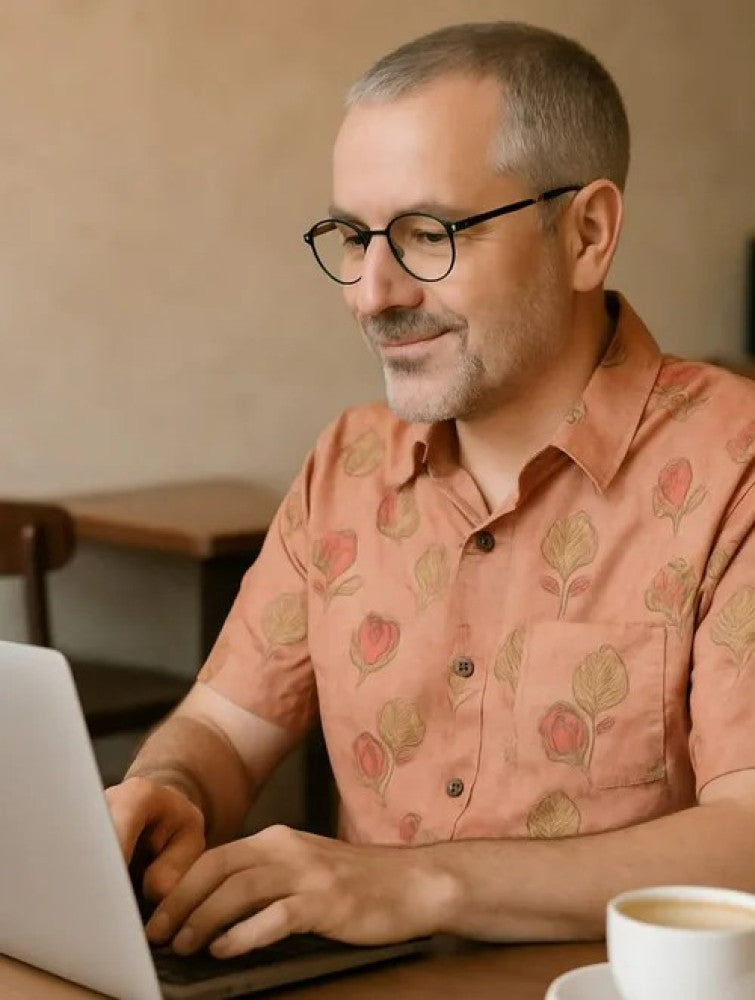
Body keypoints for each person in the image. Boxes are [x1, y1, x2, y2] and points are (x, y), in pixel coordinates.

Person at [106, 21, 755, 959]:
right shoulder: (349, 462)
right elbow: (219, 726)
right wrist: (170, 786)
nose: (370, 293)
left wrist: (416, 884)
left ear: (586, 233)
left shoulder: (734, 464)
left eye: (425, 234)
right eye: (351, 236)